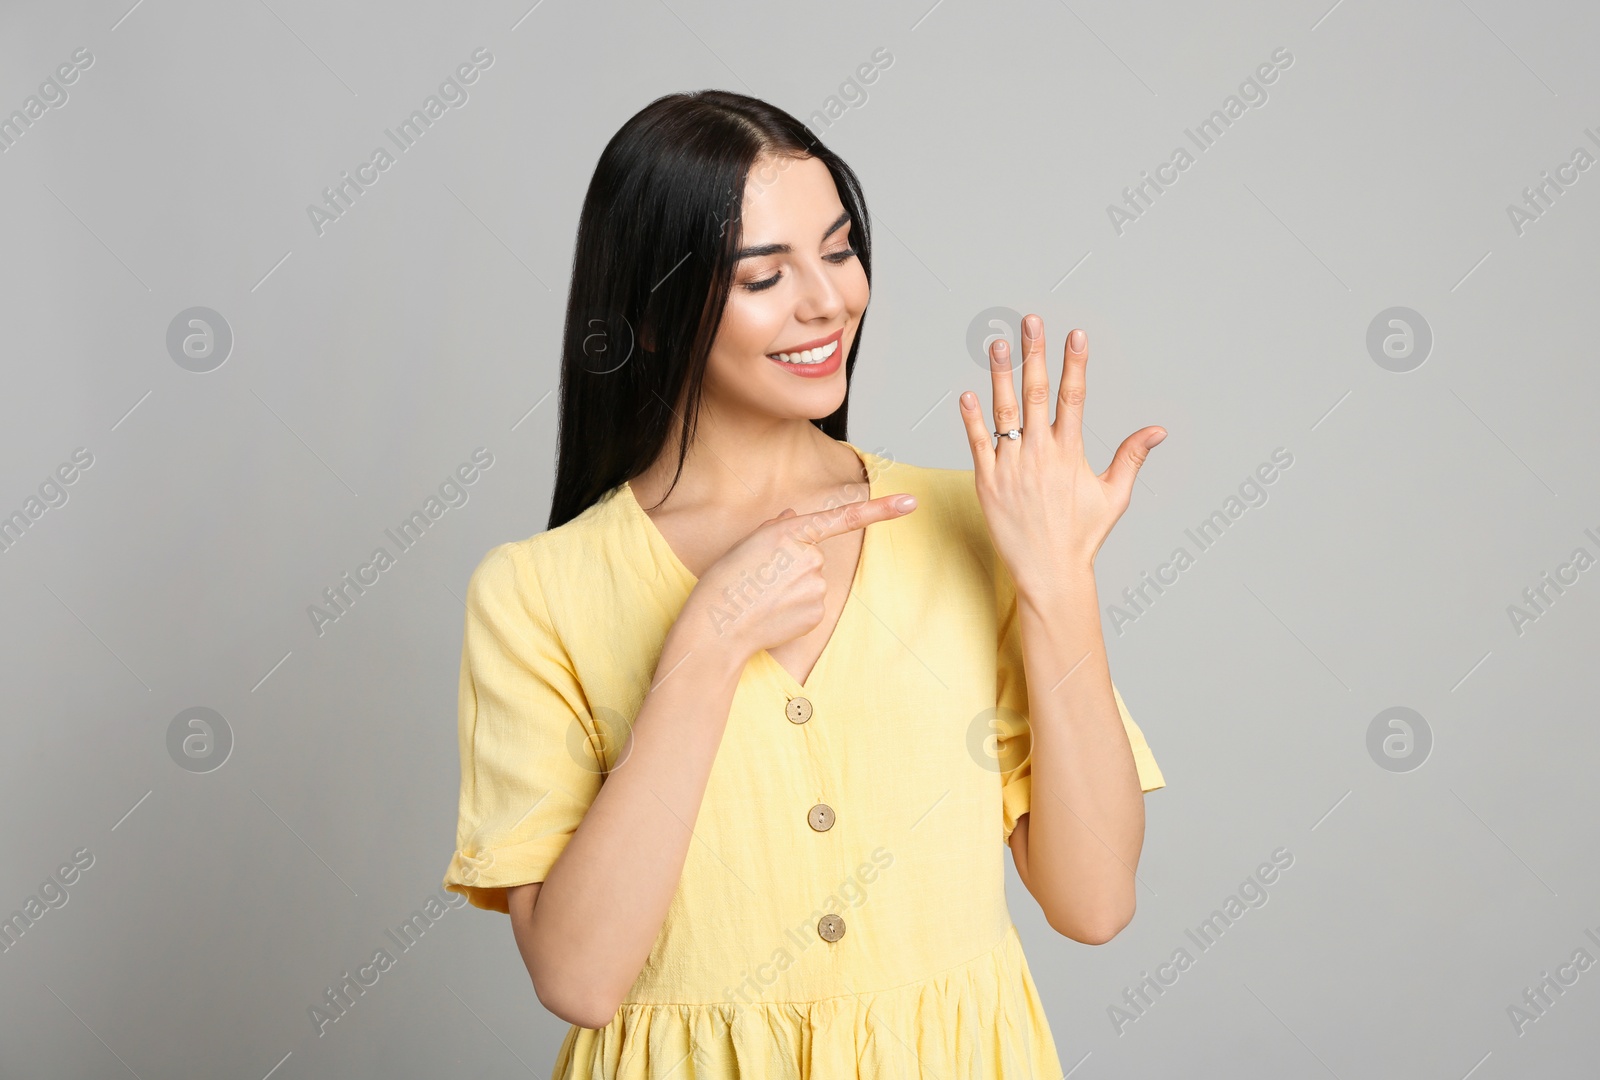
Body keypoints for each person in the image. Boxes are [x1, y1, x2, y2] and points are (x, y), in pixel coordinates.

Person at [442, 88, 1168, 1079]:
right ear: (650, 320)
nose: (827, 301)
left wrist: (1057, 582)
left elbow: (1093, 904)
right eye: (763, 275)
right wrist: (703, 653)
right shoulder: (537, 591)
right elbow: (579, 978)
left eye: (837, 251)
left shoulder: (973, 527)